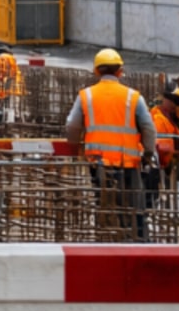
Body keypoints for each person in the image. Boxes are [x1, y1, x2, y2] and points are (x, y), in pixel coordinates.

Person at [64, 49, 159, 239]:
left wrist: (75, 147)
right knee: (134, 212)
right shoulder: (133, 97)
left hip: (98, 164)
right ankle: (138, 245)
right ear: (120, 72)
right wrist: (148, 153)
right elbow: (149, 128)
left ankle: (108, 243)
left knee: (105, 208)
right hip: (128, 164)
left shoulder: (87, 95)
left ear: (96, 71)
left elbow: (72, 125)